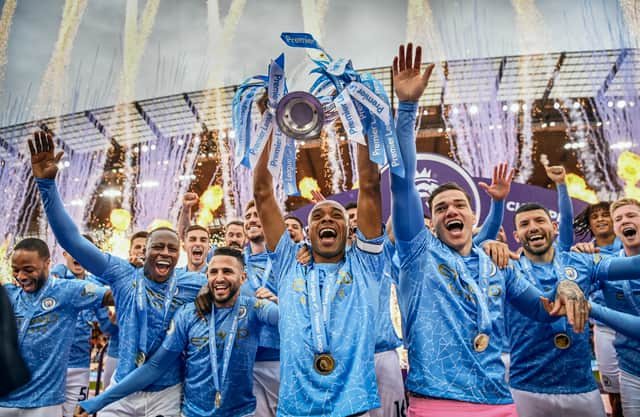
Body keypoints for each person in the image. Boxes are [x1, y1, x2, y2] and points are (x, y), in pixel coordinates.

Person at [389, 42, 590, 417]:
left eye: (459, 204)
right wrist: (408, 108)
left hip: (500, 402)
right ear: (429, 222)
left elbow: (546, 310)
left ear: (472, 215)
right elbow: (401, 184)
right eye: (440, 208)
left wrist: (565, 284)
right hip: (438, 403)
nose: (451, 210)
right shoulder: (419, 254)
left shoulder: (496, 265)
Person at [29, 130, 207, 417]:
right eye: (157, 246)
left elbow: (233, 284)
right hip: (121, 390)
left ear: (180, 254)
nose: (165, 253)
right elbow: (72, 240)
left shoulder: (191, 283)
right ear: (144, 251)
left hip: (167, 393)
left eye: (172, 249)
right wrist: (46, 186)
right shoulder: (123, 274)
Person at [253, 105, 384, 415]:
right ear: (307, 231)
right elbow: (262, 192)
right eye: (318, 216)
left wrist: (358, 115)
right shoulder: (288, 261)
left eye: (336, 214)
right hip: (296, 408)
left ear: (349, 228)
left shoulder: (365, 263)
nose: (327, 218)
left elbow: (370, 186)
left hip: (353, 405)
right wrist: (271, 120)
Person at [74, 247, 279, 417]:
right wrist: (100, 400)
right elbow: (155, 366)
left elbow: (285, 319)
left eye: (227, 272)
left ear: (242, 277)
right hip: (193, 413)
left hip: (241, 413)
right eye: (214, 272)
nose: (219, 278)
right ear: (206, 276)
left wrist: (279, 302)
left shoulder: (255, 309)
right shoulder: (188, 314)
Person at [0, 238, 111, 417]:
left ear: (47, 264)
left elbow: (110, 296)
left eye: (29, 270)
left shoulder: (68, 291)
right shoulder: (9, 295)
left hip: (44, 403)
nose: (21, 276)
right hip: (5, 400)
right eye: (16, 270)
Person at [50, 235, 115, 417]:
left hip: (80, 367)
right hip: (52, 366)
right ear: (64, 254)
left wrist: (116, 321)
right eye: (73, 251)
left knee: (76, 414)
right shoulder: (58, 277)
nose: (78, 255)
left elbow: (107, 328)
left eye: (84, 251)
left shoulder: (96, 289)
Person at [573, 201, 623, 415]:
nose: (601, 219)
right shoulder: (583, 253)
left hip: (634, 326)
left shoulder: (631, 246)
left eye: (606, 215)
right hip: (604, 329)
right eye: (596, 217)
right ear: (589, 224)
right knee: (613, 389)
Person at [240, 200, 280, 417]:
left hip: (281, 359)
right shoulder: (235, 262)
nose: (252, 220)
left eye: (258, 215)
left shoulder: (287, 260)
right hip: (248, 362)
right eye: (248, 216)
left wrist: (279, 301)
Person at [103, 230, 149, 390]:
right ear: (130, 251)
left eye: (145, 247)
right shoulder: (118, 274)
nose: (141, 250)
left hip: (146, 359)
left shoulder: (162, 278)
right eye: (137, 247)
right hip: (117, 352)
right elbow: (91, 283)